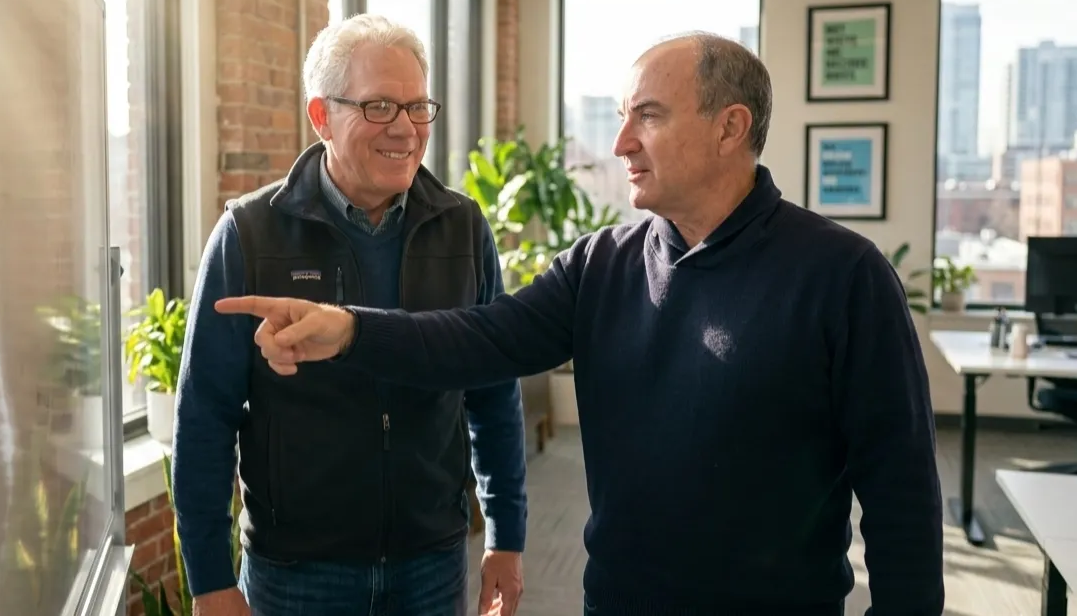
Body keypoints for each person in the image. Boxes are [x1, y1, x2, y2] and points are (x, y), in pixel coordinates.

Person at [216, 33, 947, 616]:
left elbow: (901, 488)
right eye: (623, 117)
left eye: (648, 116)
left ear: (730, 128)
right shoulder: (603, 263)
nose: (621, 141)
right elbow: (483, 339)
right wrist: (348, 330)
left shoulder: (840, 275)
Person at [172, 13, 529, 616]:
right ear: (321, 116)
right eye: (380, 107)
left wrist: (507, 536)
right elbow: (205, 416)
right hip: (297, 572)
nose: (407, 130)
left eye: (418, 107)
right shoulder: (249, 234)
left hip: (432, 561)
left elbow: (493, 394)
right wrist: (209, 578)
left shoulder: (463, 227)